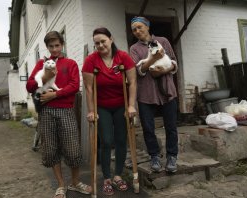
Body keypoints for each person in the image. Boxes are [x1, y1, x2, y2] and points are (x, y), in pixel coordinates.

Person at [26, 31, 91, 198]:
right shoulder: (42, 63)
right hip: (46, 112)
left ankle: (75, 182)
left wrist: (54, 95)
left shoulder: (70, 63)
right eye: (51, 46)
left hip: (66, 110)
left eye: (57, 45)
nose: (54, 49)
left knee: (72, 148)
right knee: (51, 148)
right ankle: (61, 185)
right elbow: (30, 85)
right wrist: (46, 75)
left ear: (62, 45)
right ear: (47, 47)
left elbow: (74, 85)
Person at [82, 27, 137, 196]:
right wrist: (91, 111)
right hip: (103, 107)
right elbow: (89, 88)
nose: (100, 45)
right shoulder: (91, 61)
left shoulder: (123, 57)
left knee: (121, 140)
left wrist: (131, 106)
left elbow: (132, 82)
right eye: (97, 43)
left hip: (122, 105)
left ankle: (118, 175)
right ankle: (106, 177)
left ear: (111, 39)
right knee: (106, 141)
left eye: (103, 41)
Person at [129, 16, 179, 173]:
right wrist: (154, 59)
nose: (137, 31)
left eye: (140, 27)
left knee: (171, 126)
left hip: (167, 89)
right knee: (148, 128)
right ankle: (154, 156)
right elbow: (139, 70)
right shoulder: (134, 49)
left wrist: (164, 70)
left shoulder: (163, 41)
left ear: (147, 27)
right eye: (134, 29)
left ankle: (172, 156)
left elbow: (173, 62)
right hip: (146, 93)